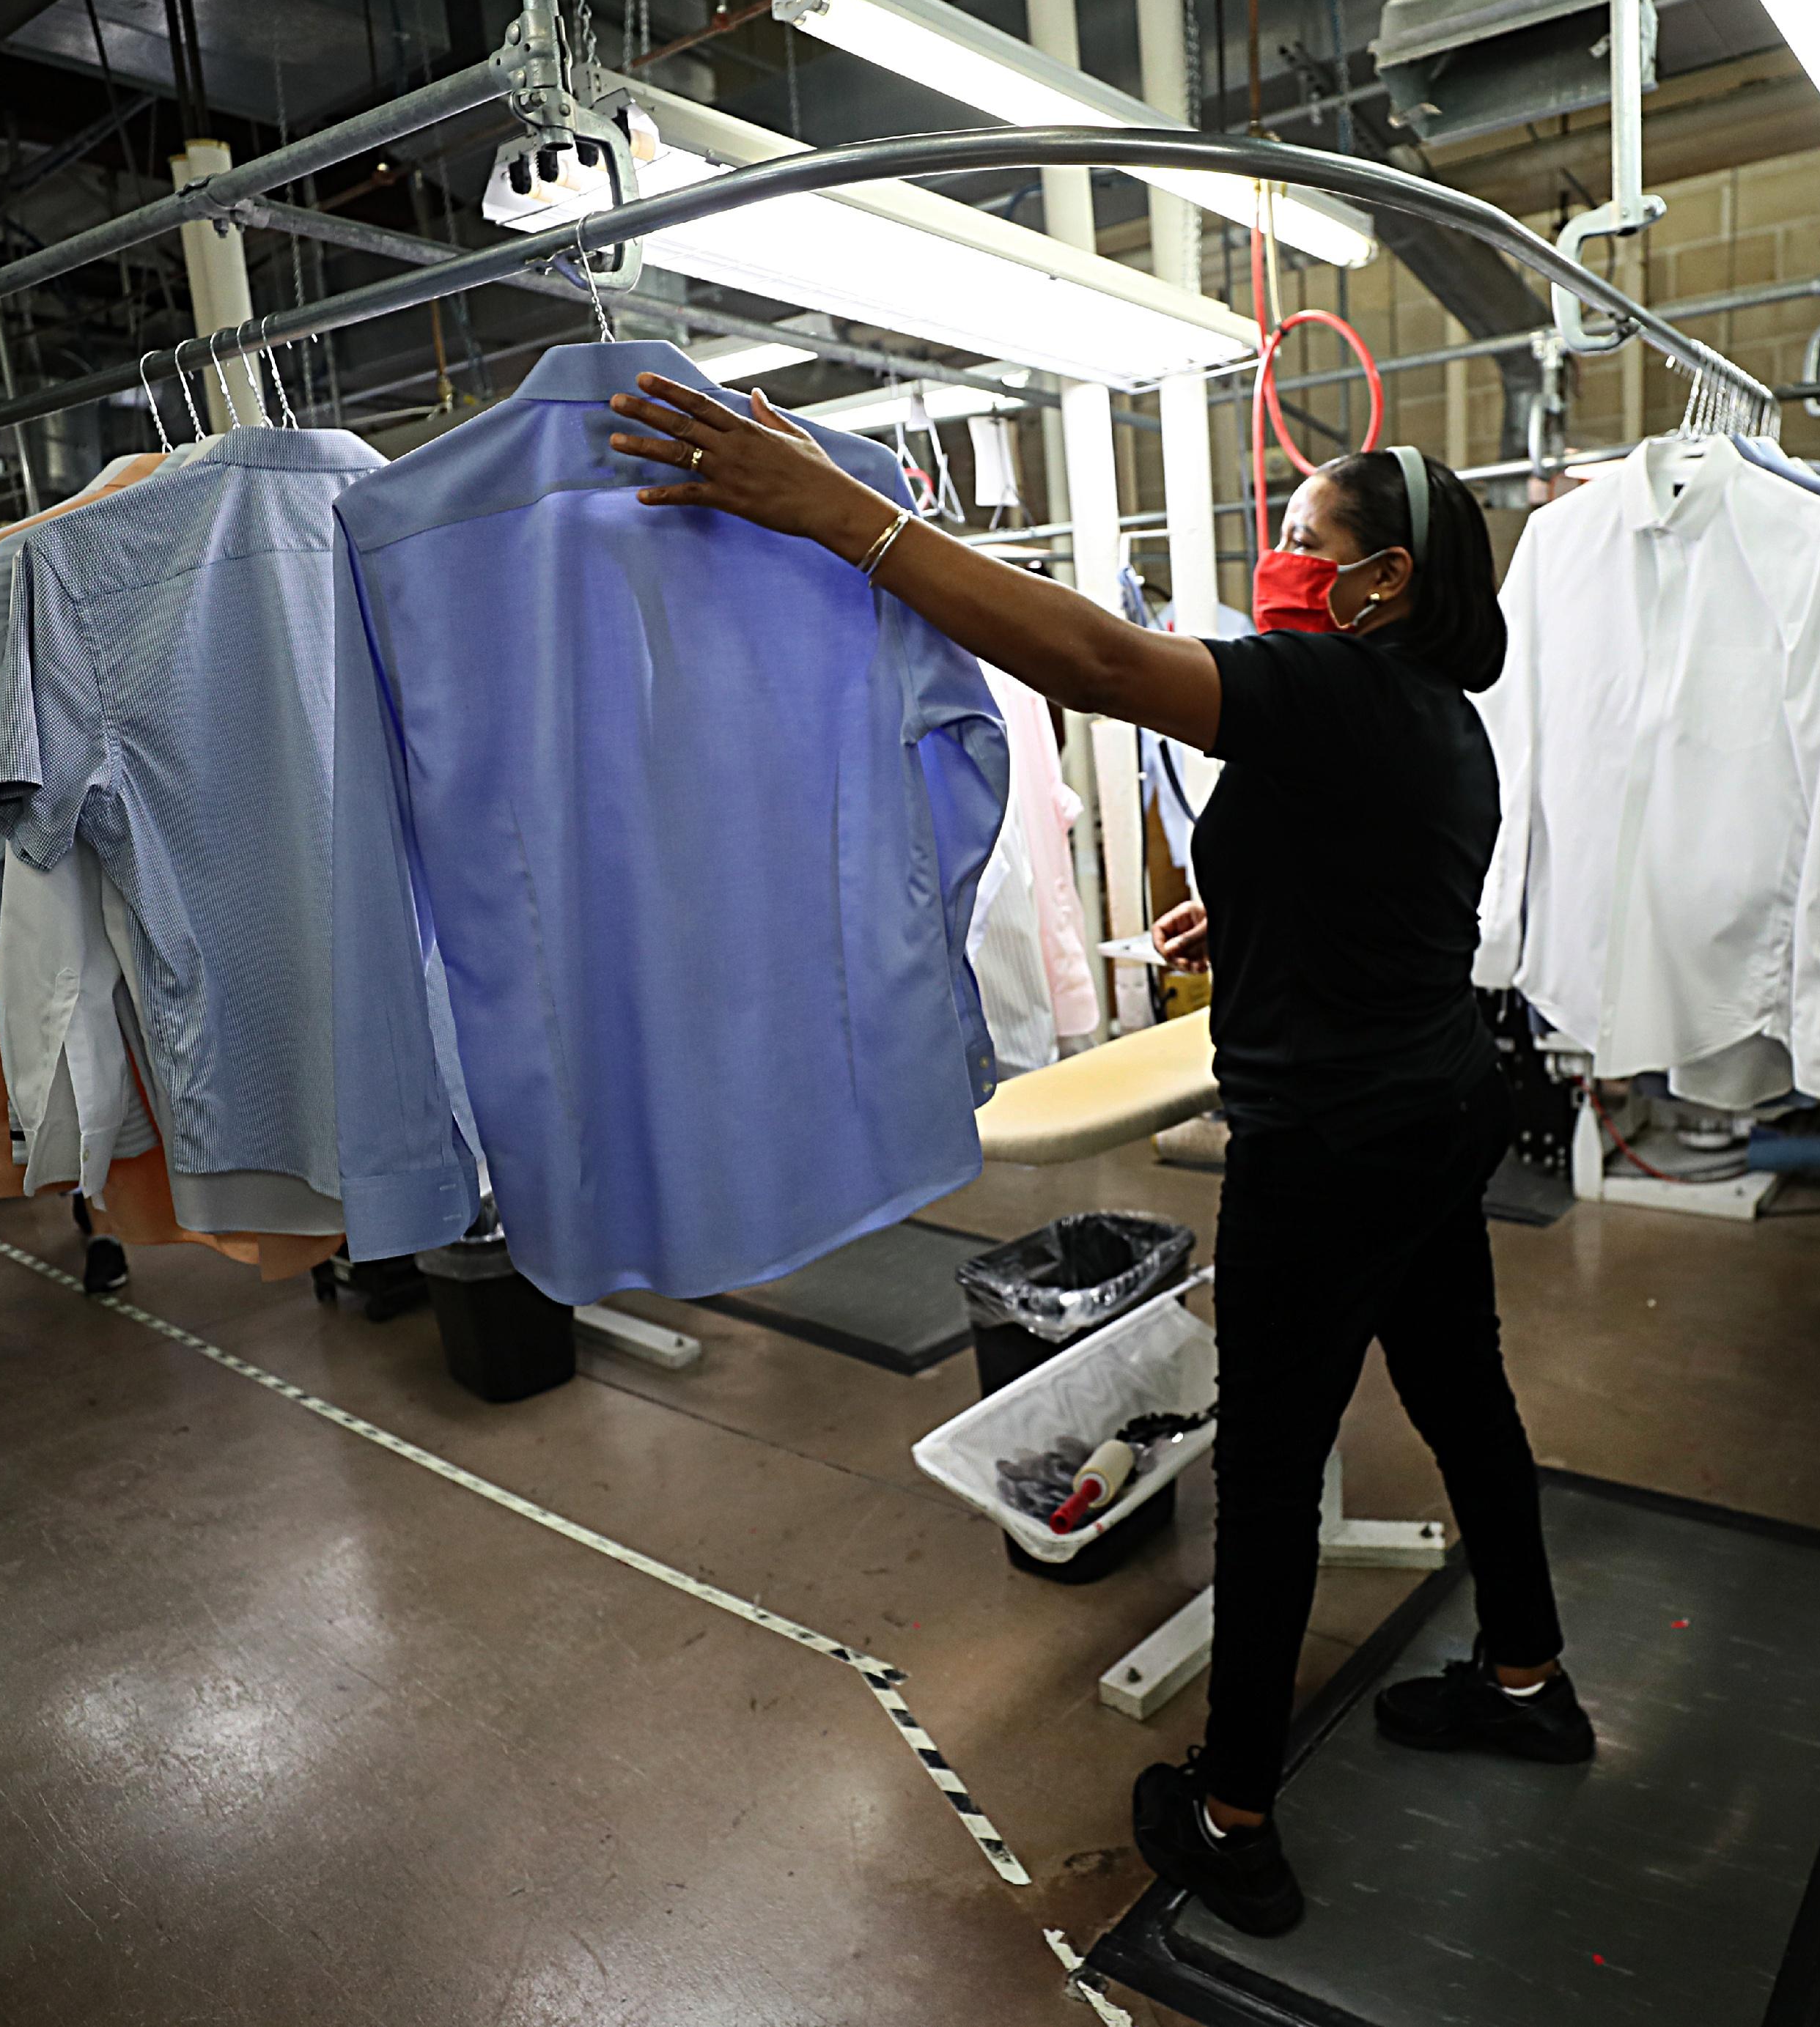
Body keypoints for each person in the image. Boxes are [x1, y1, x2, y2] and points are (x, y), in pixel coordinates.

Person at [608, 376, 1583, 1937]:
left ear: (1385, 577)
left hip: (1330, 1143)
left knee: (1268, 1471)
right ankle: (1528, 1678)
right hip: (1426, 1109)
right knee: (1462, 1395)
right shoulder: (1433, 725)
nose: (1280, 559)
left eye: (1299, 536)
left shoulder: (1333, 690)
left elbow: (1100, 659)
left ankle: (1232, 1813)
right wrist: (1248, 919)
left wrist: (845, 516)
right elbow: (1374, 890)